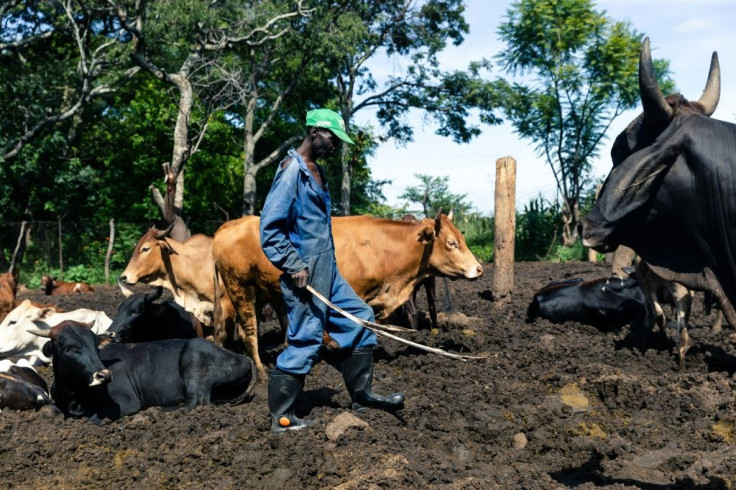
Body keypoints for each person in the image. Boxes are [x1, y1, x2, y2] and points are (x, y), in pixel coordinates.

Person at [259, 108, 405, 433]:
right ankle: (282, 418)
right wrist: (293, 264)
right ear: (314, 132)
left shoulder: (317, 172)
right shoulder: (290, 172)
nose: (335, 146)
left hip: (330, 270)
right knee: (306, 341)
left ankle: (362, 396)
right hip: (305, 276)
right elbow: (270, 230)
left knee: (362, 315)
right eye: (332, 138)